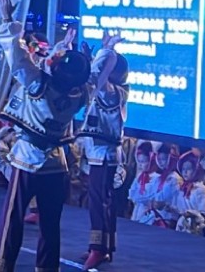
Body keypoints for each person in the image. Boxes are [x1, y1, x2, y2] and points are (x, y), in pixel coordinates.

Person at [0, 0, 90, 272]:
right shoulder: (79, 94)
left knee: (13, 218)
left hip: (28, 158)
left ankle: (0, 266)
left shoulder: (38, 86)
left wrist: (8, 18)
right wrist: (71, 53)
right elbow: (73, 71)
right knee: (50, 224)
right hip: (57, 162)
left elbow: (18, 58)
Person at [75, 34, 127, 269]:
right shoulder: (108, 89)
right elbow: (93, 79)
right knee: (101, 201)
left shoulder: (115, 92)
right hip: (99, 153)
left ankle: (98, 248)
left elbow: (98, 81)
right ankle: (102, 247)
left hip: (105, 155)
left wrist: (107, 51)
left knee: (99, 201)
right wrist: (90, 57)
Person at [172, 151, 205, 236]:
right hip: (181, 226)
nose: (185, 172)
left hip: (195, 229)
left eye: (189, 169)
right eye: (183, 169)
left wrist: (194, 216)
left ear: (196, 169)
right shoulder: (181, 188)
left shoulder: (200, 189)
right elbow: (178, 208)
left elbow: (204, 212)